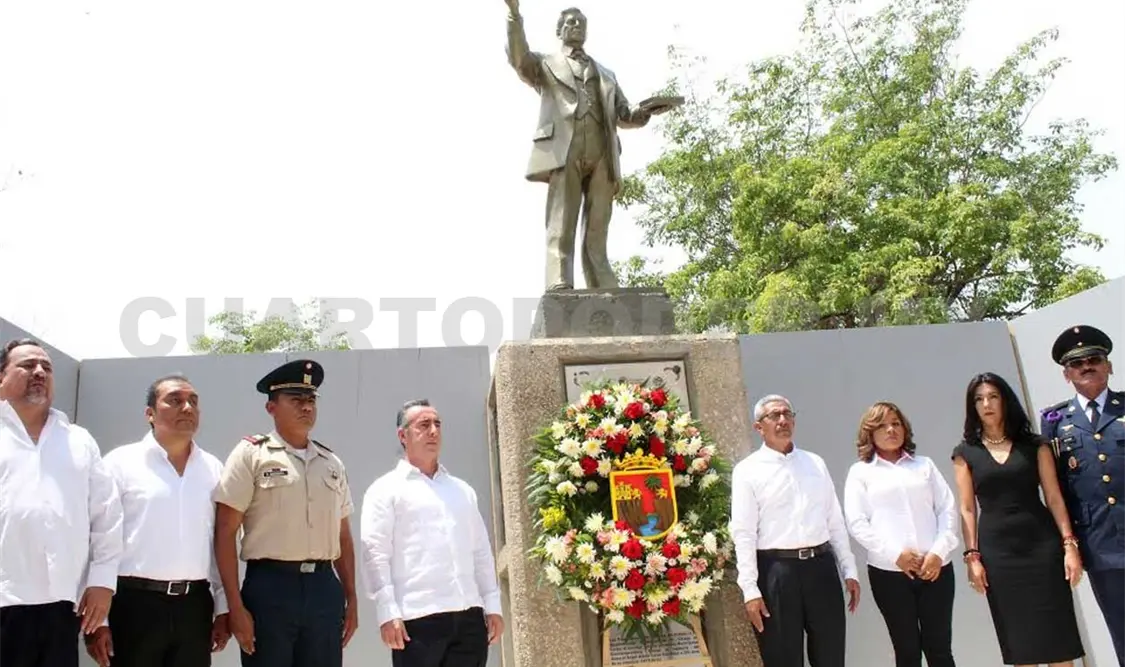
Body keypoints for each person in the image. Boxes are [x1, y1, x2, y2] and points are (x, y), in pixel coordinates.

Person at [212, 359, 359, 667]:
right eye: (295, 399)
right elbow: (225, 531)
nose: (306, 407)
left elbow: (343, 536)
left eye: (311, 400)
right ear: (271, 408)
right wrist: (234, 607)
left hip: (323, 588)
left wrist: (351, 597)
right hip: (270, 588)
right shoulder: (252, 454)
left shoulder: (331, 463)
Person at [501, 0, 653, 290]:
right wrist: (514, 15)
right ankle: (559, 278)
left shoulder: (606, 74)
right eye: (570, 23)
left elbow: (623, 113)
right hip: (563, 148)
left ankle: (601, 280)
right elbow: (519, 59)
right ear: (559, 30)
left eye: (581, 23)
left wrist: (642, 112)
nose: (576, 26)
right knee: (562, 219)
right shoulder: (545, 64)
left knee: (598, 224)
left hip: (602, 153)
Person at [84, 374, 231, 667]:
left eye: (193, 402)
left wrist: (222, 606)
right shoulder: (120, 464)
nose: (187, 408)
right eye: (175, 400)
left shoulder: (213, 469)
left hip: (194, 607)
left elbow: (217, 543)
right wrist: (99, 620)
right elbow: (98, 538)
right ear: (150, 413)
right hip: (134, 606)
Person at [0, 338, 124, 667]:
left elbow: (106, 517)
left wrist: (102, 582)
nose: (40, 372)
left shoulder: (78, 440)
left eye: (47, 367)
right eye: (27, 365)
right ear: (2, 377)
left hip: (61, 608)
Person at [951, 372, 1084, 666]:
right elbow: (967, 508)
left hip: (1042, 548)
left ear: (1005, 401)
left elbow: (1054, 498)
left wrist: (1070, 545)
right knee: (1021, 646)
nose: (987, 404)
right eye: (979, 399)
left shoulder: (1035, 445)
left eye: (993, 397)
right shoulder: (965, 452)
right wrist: (972, 556)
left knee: (1058, 642)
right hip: (999, 555)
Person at [360, 398, 504, 667]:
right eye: (424, 425)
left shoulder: (462, 490)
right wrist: (387, 611)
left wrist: (492, 604)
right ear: (402, 436)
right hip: (417, 619)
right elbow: (375, 555)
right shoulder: (384, 490)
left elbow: (480, 551)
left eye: (437, 424)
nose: (434, 431)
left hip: (469, 616)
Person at [729, 394, 860, 667]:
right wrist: (750, 589)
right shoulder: (747, 471)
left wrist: (849, 570)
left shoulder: (815, 463)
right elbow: (744, 533)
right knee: (783, 657)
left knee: (831, 655)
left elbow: (834, 520)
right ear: (759, 427)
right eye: (774, 415)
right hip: (777, 571)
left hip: (821, 568)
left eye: (787, 414)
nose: (782, 420)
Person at [843, 401, 959, 667]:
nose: (891, 430)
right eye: (882, 425)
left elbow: (947, 509)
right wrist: (895, 555)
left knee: (939, 648)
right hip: (889, 574)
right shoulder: (861, 473)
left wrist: (938, 552)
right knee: (907, 650)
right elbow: (857, 522)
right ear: (870, 433)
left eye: (896, 423)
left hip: (936, 569)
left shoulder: (924, 465)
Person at [1039, 325, 1125, 665]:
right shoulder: (1055, 421)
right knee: (1121, 628)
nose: (1087, 366)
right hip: (1100, 543)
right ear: (1067, 374)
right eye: (1077, 363)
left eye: (1094, 359)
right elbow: (1056, 488)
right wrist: (1070, 544)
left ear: (1109, 366)